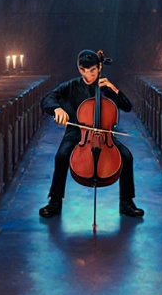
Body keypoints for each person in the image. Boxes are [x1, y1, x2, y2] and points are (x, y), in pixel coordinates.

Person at [38, 49, 144, 218]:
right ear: (79, 69)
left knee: (127, 156)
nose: (88, 75)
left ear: (99, 67)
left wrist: (113, 89)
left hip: (103, 134)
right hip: (76, 133)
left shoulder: (105, 88)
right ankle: (55, 202)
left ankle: (126, 202)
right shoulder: (71, 86)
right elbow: (46, 99)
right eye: (83, 70)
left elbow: (127, 107)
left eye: (93, 70)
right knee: (61, 156)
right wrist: (57, 109)